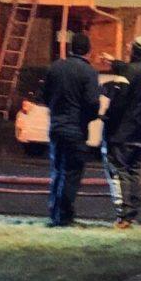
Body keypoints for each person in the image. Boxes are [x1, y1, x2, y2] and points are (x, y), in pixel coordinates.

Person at [101, 36, 141, 229]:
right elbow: (137, 76)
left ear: (138, 50)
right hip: (140, 129)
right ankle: (133, 212)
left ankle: (123, 215)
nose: (129, 50)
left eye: (132, 47)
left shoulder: (130, 72)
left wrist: (106, 117)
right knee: (134, 171)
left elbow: (120, 98)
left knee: (118, 171)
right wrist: (114, 62)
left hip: (121, 131)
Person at [42, 31, 100, 228]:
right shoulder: (89, 72)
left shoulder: (56, 68)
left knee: (57, 170)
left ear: (70, 48)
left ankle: (54, 211)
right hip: (76, 129)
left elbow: (45, 96)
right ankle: (64, 216)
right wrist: (89, 118)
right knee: (72, 172)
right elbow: (92, 102)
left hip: (56, 126)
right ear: (89, 51)